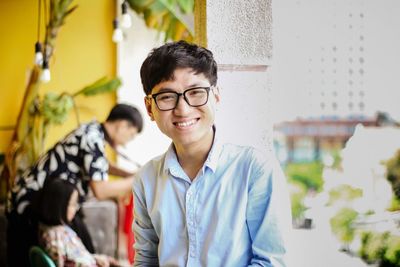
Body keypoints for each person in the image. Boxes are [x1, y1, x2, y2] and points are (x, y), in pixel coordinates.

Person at [132, 40, 292, 266]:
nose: (183, 109)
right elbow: (146, 259)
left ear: (216, 96)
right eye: (167, 96)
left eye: (196, 92)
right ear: (150, 107)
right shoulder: (146, 179)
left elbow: (271, 261)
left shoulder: (253, 168)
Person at [6, 103, 143, 267]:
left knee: (85, 250)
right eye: (132, 134)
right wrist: (138, 180)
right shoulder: (92, 138)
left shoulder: (91, 131)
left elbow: (98, 165)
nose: (128, 141)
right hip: (31, 205)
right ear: (122, 125)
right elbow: (100, 190)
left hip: (40, 204)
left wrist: (129, 174)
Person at [37, 178, 121, 267]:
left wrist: (95, 258)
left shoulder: (56, 230)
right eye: (72, 204)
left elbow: (77, 255)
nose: (76, 208)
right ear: (59, 206)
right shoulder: (55, 237)